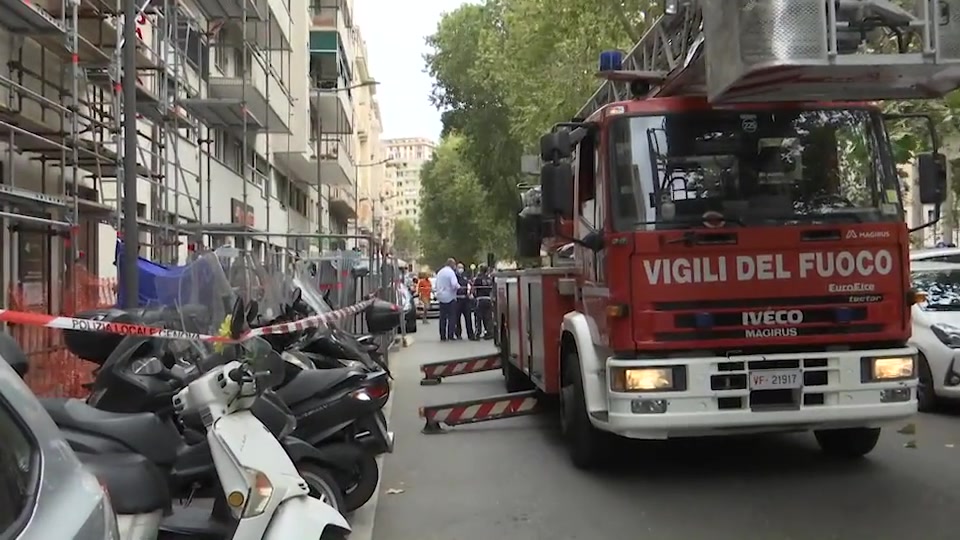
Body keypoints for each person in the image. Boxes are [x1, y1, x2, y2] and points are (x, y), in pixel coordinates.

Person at [435, 259, 459, 341]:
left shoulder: (440, 272)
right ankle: (450, 335)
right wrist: (457, 287)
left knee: (442, 317)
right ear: (452, 265)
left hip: (441, 297)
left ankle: (442, 335)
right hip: (450, 297)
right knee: (452, 317)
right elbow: (454, 284)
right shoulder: (451, 273)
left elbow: (436, 284)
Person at [454, 261, 477, 341]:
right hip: (458, 299)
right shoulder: (454, 277)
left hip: (466, 299)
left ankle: (470, 334)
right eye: (459, 267)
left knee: (468, 317)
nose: (461, 269)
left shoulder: (465, 277)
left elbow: (469, 285)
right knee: (457, 318)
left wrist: (470, 292)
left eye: (462, 267)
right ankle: (458, 334)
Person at [472, 265, 495, 339]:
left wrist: (473, 296)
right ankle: (489, 333)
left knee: (478, 318)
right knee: (488, 317)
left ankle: (477, 334)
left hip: (480, 299)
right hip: (488, 299)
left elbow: (473, 289)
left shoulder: (478, 279)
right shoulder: (489, 279)